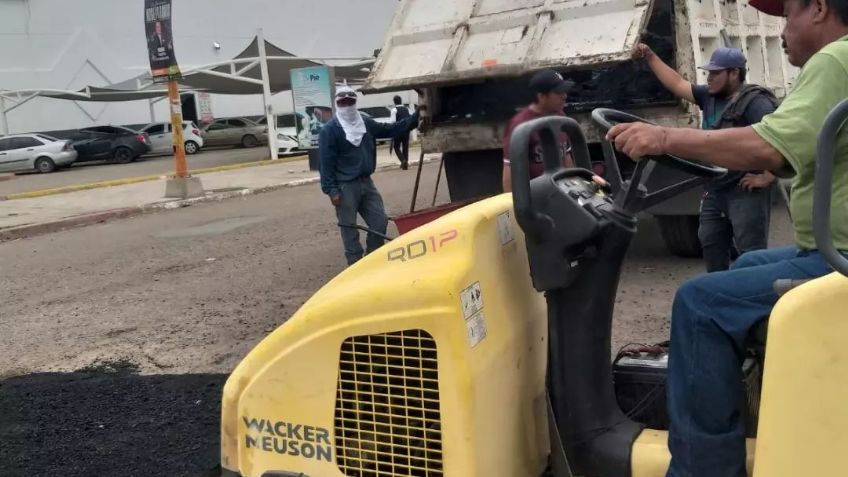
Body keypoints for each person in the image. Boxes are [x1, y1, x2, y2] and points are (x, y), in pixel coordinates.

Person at [607, 0, 848, 474]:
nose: (781, 30)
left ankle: (704, 467)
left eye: (788, 15)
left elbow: (766, 146)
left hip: (836, 254)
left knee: (700, 303)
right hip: (827, 246)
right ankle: (764, 412)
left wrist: (663, 139)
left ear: (819, 9)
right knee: (744, 267)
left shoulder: (835, 60)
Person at [633, 44, 779, 271]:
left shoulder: (755, 102)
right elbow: (677, 84)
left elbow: (778, 140)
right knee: (710, 241)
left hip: (744, 191)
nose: (709, 78)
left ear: (734, 73)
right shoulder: (708, 96)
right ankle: (719, 292)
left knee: (750, 252)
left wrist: (767, 178)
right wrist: (650, 56)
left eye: (715, 73)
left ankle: (752, 299)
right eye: (708, 72)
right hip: (715, 188)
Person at [319, 86, 421, 265]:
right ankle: (355, 265)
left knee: (379, 222)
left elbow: (393, 129)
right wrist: (331, 191)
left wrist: (417, 117)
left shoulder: (365, 123)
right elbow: (325, 163)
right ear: (337, 104)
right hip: (345, 187)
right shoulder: (330, 130)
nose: (347, 105)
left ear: (355, 102)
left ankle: (373, 259)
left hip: (366, 183)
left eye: (351, 101)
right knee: (349, 228)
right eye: (343, 102)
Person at [502, 69, 577, 192]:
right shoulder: (520, 124)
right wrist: (513, 205)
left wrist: (575, 188)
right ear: (541, 96)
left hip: (562, 193)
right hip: (537, 196)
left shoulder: (561, 117)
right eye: (558, 92)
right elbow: (509, 169)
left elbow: (566, 156)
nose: (564, 96)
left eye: (564, 91)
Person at [390, 95, 411, 170]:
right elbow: (409, 119)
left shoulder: (394, 110)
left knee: (396, 147)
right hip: (406, 130)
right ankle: (406, 163)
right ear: (401, 100)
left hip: (398, 131)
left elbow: (392, 122)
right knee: (405, 147)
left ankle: (403, 160)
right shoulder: (407, 109)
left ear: (394, 102)